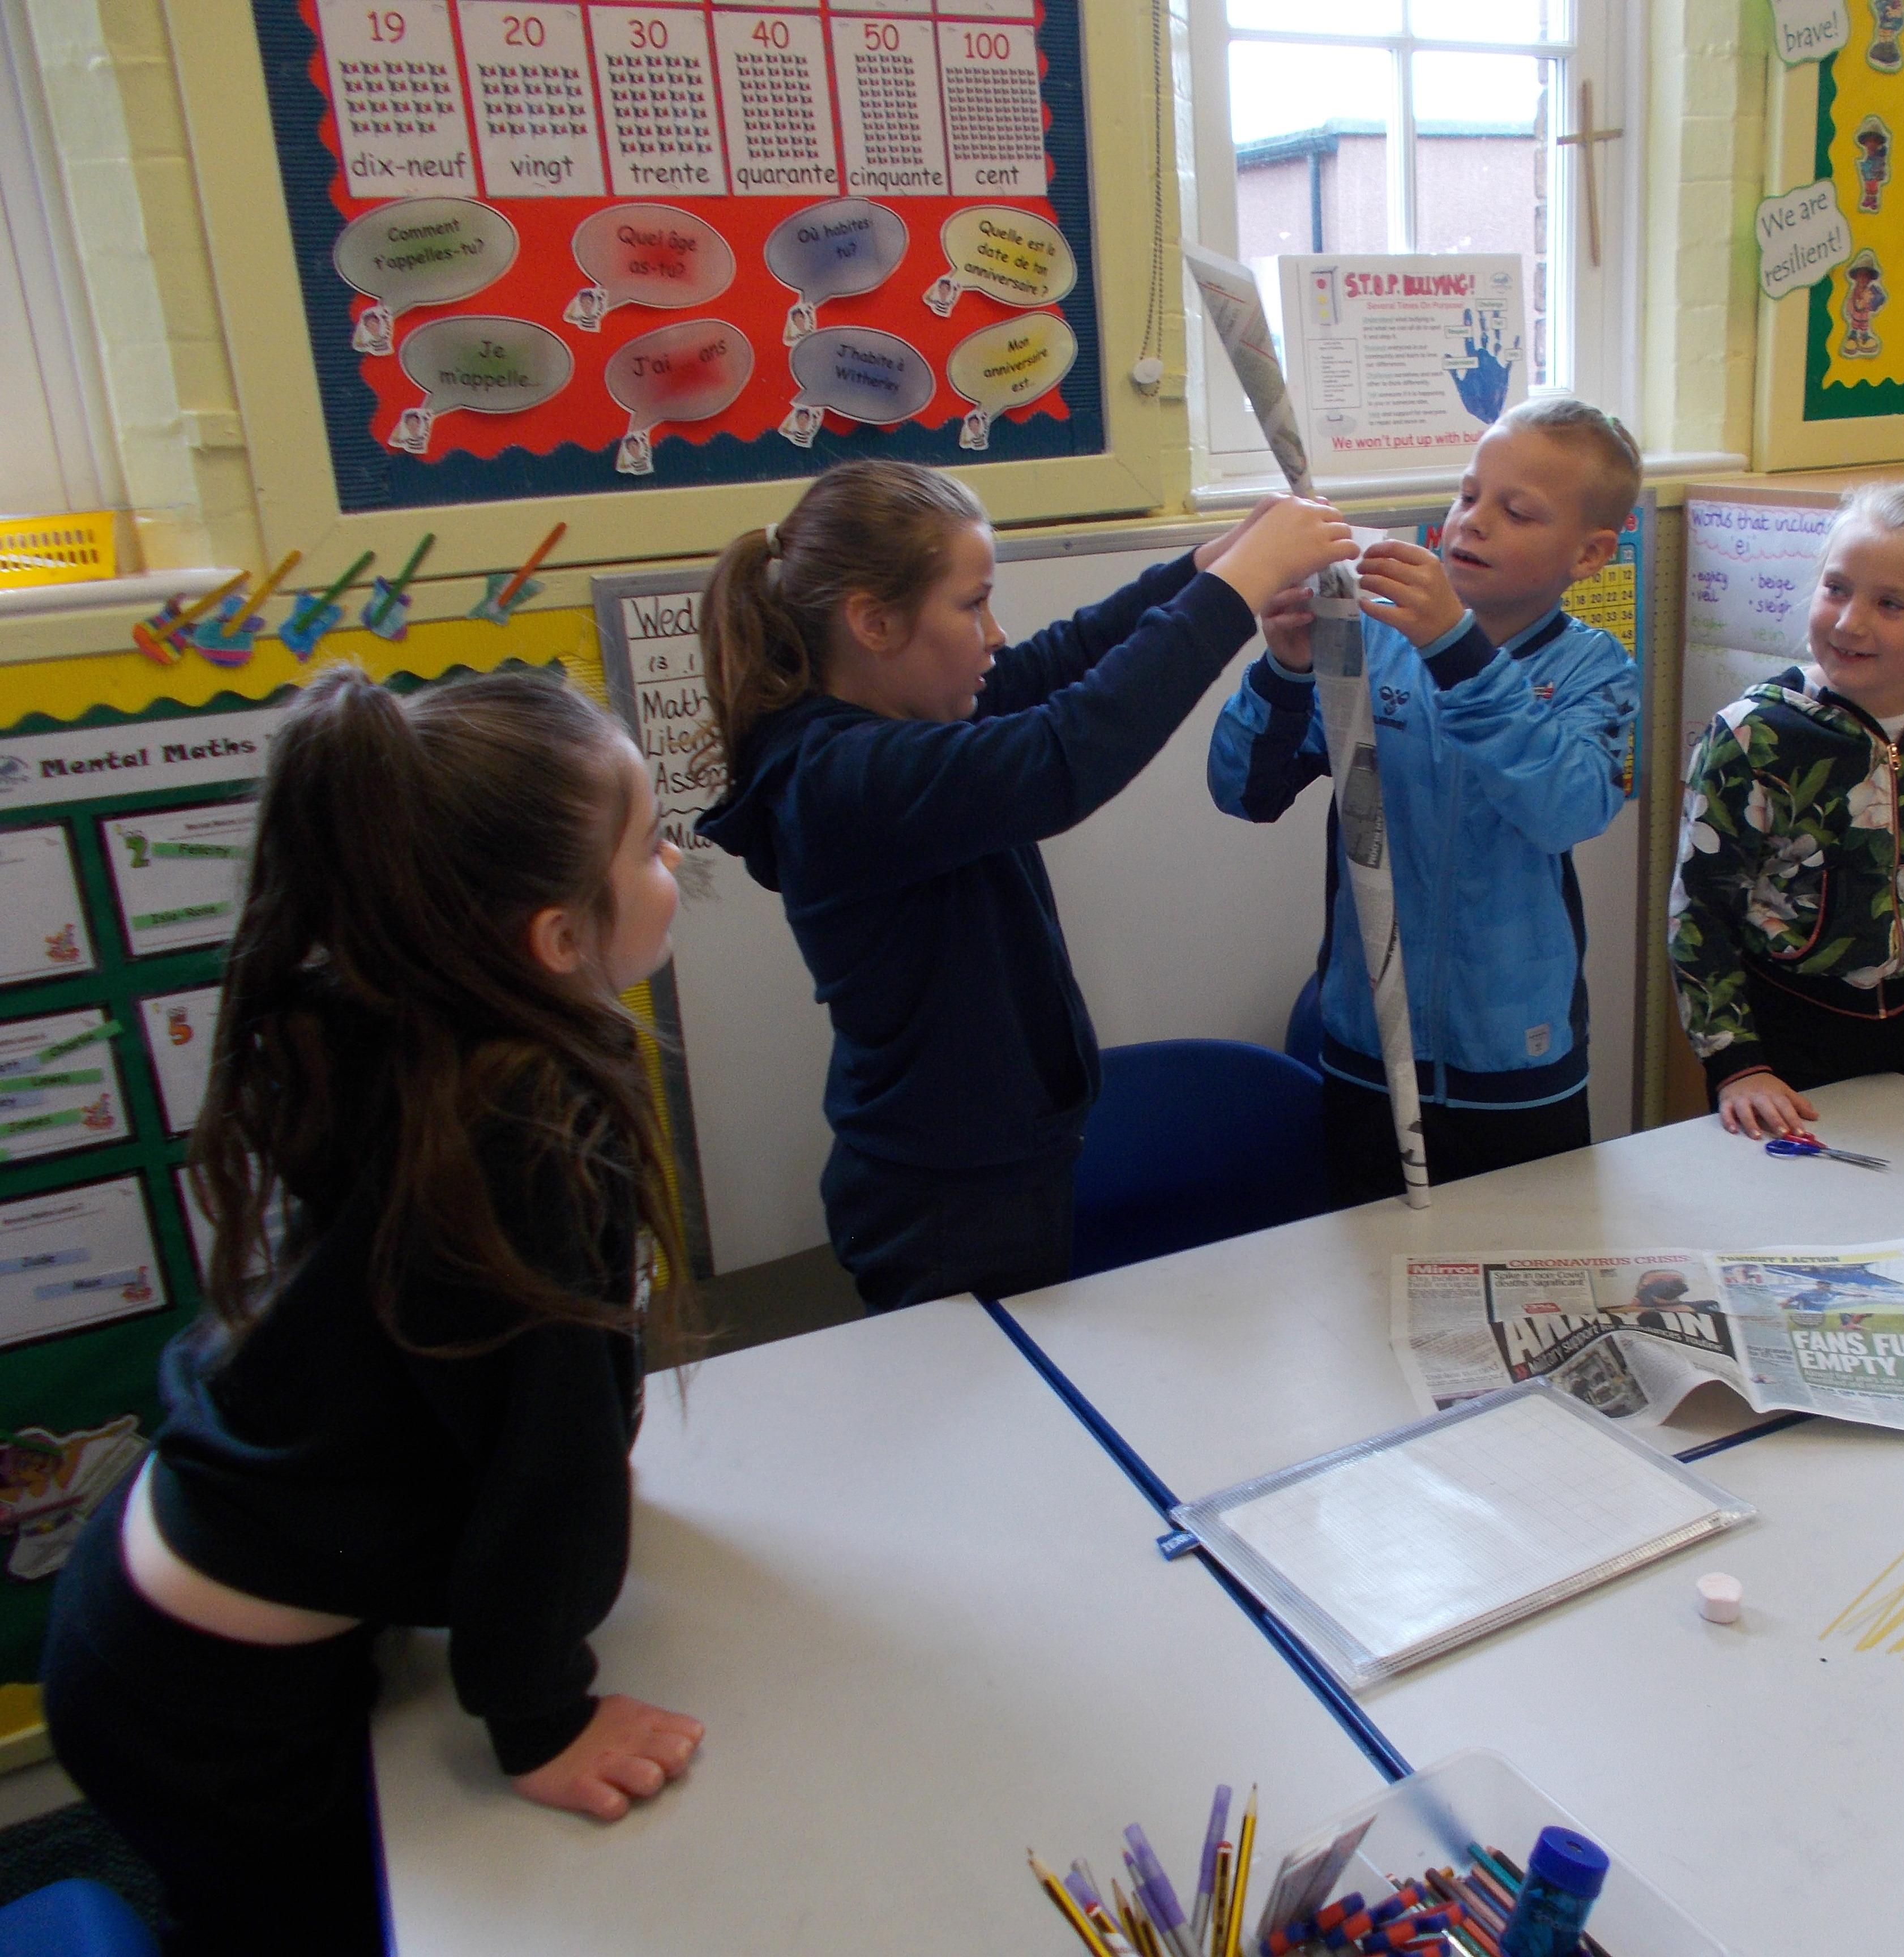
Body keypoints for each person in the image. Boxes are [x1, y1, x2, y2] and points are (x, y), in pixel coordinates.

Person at [40, 666, 705, 1954]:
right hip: (204, 1703)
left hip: (146, 1604)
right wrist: (543, 1718)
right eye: (644, 845)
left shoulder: (412, 1020)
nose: (671, 859)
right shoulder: (529, 1119)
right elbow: (551, 1450)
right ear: (557, 940)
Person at [697, 461, 1354, 1310]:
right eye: (972, 605)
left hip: (996, 1170)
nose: (995, 632)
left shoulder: (902, 720)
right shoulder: (841, 777)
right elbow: (1066, 753)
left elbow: (1063, 661)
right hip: (944, 1204)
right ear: (874, 623)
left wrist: (1207, 564)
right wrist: (1240, 585)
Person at [1206, 396, 1643, 1207]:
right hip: (1369, 1045)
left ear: (1588, 554)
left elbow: (1568, 809)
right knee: (1373, 1259)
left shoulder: (1597, 670)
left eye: (1516, 511)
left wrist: (1458, 653)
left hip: (1518, 1061)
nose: (1473, 522)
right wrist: (1285, 670)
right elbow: (1244, 791)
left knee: (1529, 1257)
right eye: (1468, 495)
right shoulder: (1370, 641)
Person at [1668, 480, 1904, 1143]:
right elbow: (1700, 912)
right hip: (1782, 1043)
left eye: (1890, 604)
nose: (1849, 622)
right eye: (1836, 589)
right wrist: (1735, 1063)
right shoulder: (1752, 737)